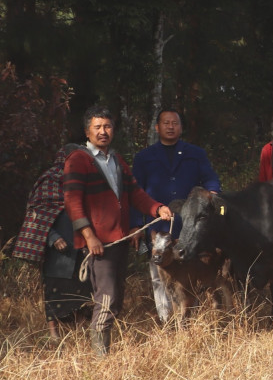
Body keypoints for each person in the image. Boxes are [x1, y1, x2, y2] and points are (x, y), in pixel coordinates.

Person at [63, 106, 172, 355]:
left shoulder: (117, 159)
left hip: (119, 240)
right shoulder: (79, 159)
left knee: (116, 298)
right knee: (107, 298)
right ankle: (101, 360)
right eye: (97, 127)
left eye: (108, 126)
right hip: (99, 243)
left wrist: (157, 208)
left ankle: (104, 352)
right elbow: (72, 201)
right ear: (87, 131)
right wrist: (89, 236)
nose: (103, 132)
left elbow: (135, 194)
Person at [132, 109, 221, 322]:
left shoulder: (195, 153)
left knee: (192, 272)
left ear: (181, 127)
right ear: (157, 127)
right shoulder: (144, 158)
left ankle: (190, 318)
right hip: (159, 227)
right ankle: (166, 319)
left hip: (188, 226)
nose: (170, 126)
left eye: (175, 123)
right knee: (159, 274)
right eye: (166, 123)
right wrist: (135, 225)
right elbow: (135, 194)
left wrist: (213, 192)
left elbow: (210, 178)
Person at [14, 145, 93, 342]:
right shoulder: (50, 179)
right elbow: (37, 214)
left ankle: (81, 332)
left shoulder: (86, 179)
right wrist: (52, 237)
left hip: (82, 244)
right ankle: (54, 335)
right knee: (54, 289)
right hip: (58, 249)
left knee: (83, 288)